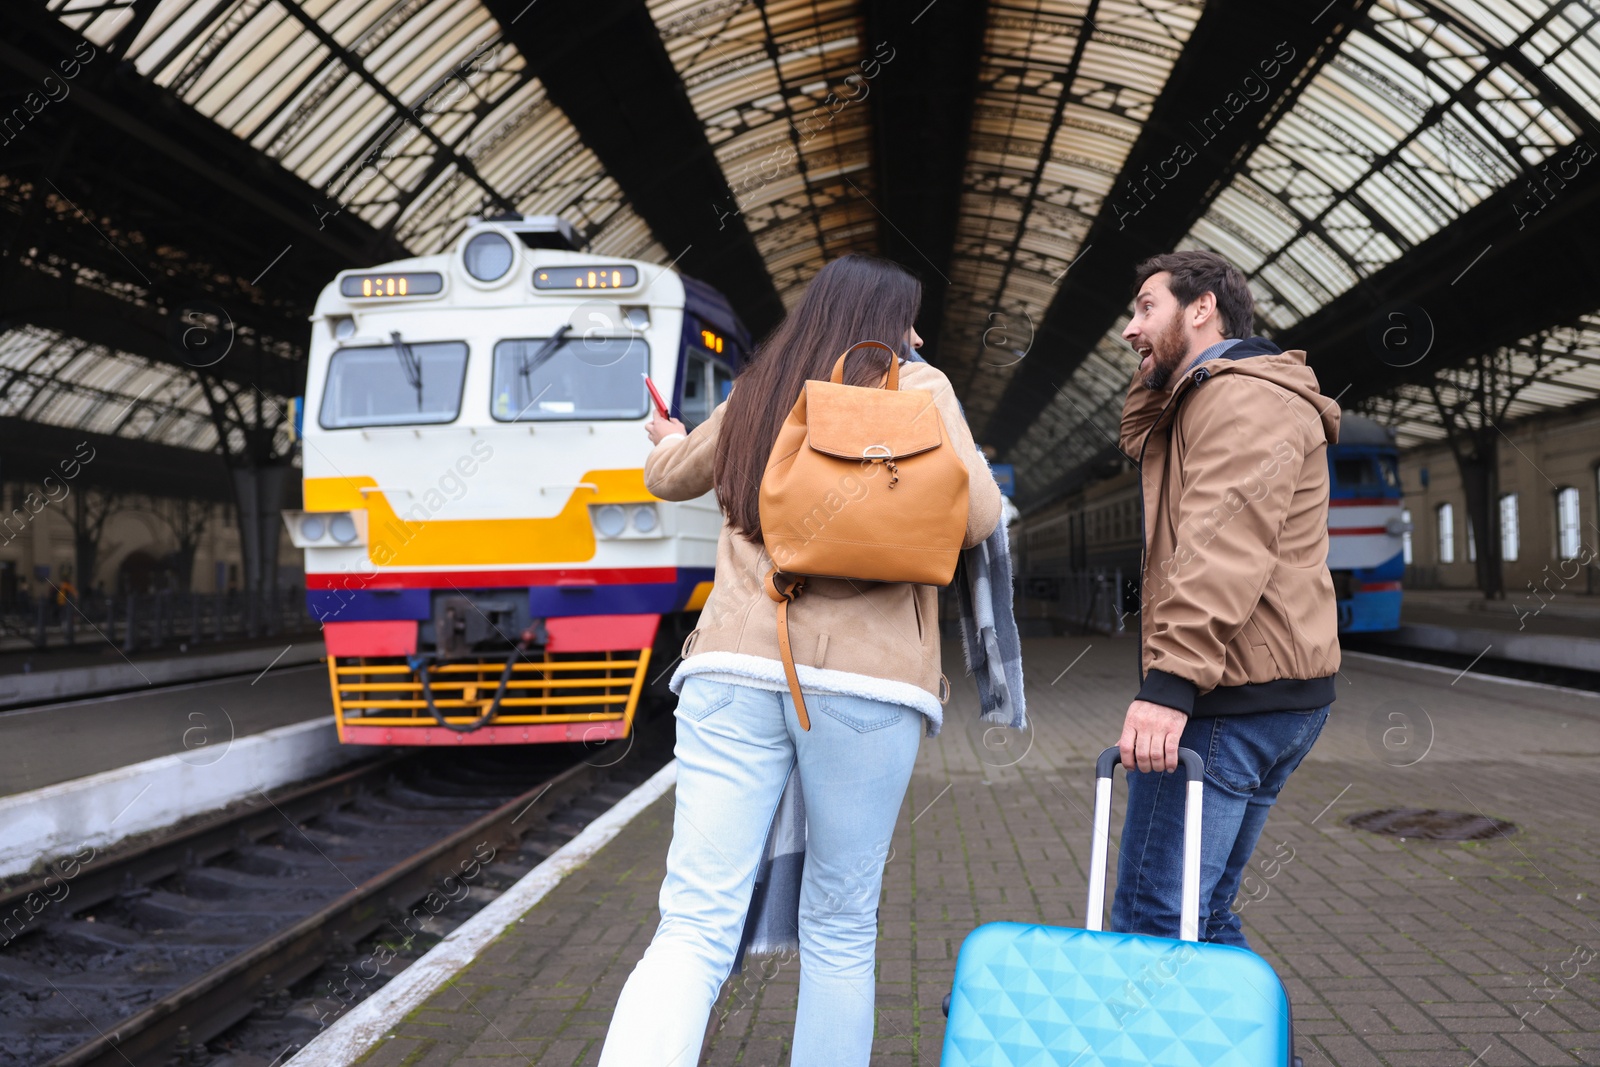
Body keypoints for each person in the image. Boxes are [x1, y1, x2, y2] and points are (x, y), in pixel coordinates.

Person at [598, 254, 1001, 1067]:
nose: (919, 335)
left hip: (733, 670)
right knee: (842, 923)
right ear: (892, 323)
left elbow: (667, 475)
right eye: (913, 321)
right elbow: (981, 515)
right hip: (867, 685)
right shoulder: (921, 389)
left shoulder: (763, 385)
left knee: (695, 923)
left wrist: (670, 436)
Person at [1112, 249, 1340, 949]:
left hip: (1228, 698)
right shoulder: (1215, 393)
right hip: (1266, 694)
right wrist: (1162, 365)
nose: (1129, 327)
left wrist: (1170, 683)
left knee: (1157, 921)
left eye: (1146, 307)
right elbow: (1137, 437)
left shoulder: (1241, 397)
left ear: (1202, 306)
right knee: (1200, 916)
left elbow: (1223, 547)